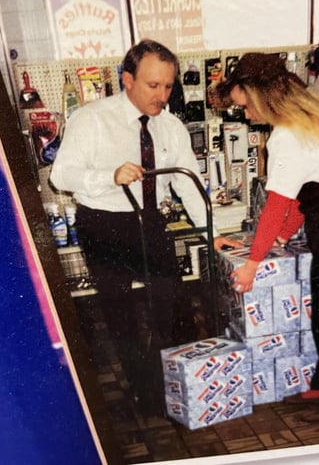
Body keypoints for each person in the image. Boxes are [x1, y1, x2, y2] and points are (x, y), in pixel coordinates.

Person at [50, 39, 239, 415]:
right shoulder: (90, 119)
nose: (162, 95)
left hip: (151, 221)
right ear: (128, 80)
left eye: (168, 86)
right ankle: (143, 392)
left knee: (171, 302)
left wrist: (211, 231)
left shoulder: (170, 126)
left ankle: (175, 382)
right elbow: (61, 175)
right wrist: (110, 175)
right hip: (103, 222)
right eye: (154, 85)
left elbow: (187, 185)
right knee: (120, 314)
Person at [214, 51, 319, 421]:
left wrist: (252, 264)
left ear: (260, 96)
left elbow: (277, 205)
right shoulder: (317, 118)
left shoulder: (286, 136)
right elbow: (302, 195)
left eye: (246, 106)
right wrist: (279, 239)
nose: (247, 115)